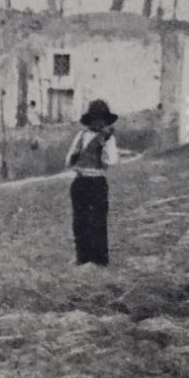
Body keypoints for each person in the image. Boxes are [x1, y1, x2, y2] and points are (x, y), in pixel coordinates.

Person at [65, 99, 119, 267]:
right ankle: (82, 257)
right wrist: (77, 155)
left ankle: (99, 259)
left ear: (106, 121)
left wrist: (103, 147)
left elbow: (112, 160)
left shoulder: (108, 139)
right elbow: (69, 159)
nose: (99, 122)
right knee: (80, 221)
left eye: (102, 119)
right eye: (95, 119)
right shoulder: (81, 136)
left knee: (97, 220)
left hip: (97, 183)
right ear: (90, 120)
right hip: (80, 182)